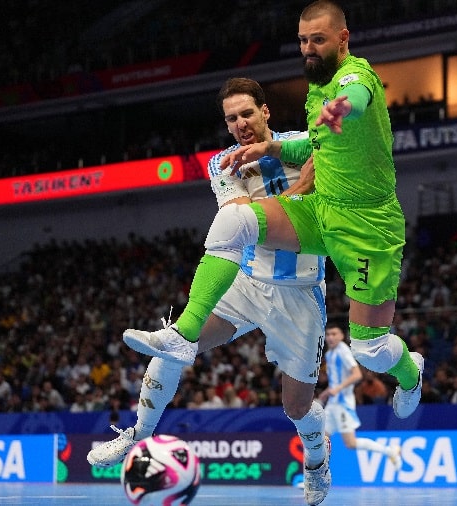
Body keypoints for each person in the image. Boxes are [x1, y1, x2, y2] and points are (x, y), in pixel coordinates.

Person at [123, 1, 423, 426]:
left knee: (370, 351)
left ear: (343, 39)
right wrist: (273, 149)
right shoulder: (314, 90)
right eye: (303, 40)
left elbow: (356, 94)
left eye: (318, 39)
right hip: (319, 214)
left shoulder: (355, 76)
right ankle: (182, 336)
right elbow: (314, 148)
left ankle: (411, 374)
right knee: (234, 222)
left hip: (365, 227)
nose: (308, 48)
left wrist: (340, 108)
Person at [88, 77, 331, 505]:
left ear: (265, 112)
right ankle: (137, 434)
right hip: (247, 281)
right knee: (175, 342)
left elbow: (322, 209)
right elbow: (243, 224)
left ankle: (316, 460)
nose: (239, 124)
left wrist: (300, 193)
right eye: (231, 118)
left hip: (301, 293)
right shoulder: (223, 163)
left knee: (296, 407)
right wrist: (302, 189)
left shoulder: (302, 143)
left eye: (246, 114)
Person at [318, 323, 401, 467]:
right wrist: (325, 394)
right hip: (332, 404)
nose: (330, 337)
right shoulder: (330, 354)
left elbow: (357, 375)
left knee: (350, 443)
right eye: (328, 334)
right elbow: (336, 381)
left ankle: (390, 451)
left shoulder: (343, 351)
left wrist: (338, 389)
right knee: (320, 441)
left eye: (334, 334)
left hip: (343, 404)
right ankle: (313, 480)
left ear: (342, 336)